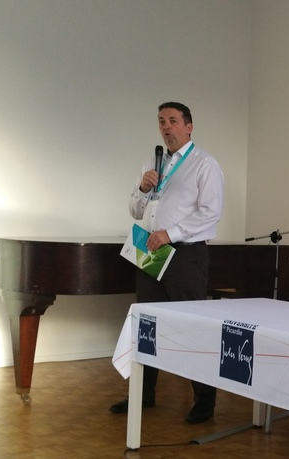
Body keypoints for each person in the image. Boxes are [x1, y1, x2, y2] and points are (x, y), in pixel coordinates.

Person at [109, 102, 224, 424]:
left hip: (185, 254)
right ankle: (143, 394)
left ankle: (205, 400)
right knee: (147, 325)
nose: (166, 127)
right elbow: (136, 210)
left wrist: (170, 234)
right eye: (161, 121)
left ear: (189, 126)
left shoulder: (205, 164)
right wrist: (143, 189)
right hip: (150, 252)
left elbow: (211, 212)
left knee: (192, 327)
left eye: (173, 121)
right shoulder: (153, 163)